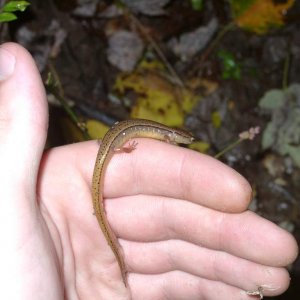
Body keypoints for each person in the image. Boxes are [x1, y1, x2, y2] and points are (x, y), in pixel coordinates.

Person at [0, 42, 297, 300]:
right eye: (186, 139)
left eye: (187, 139)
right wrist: (121, 148)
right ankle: (113, 247)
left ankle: (116, 248)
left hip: (114, 142)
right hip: (112, 144)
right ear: (178, 136)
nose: (186, 141)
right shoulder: (168, 136)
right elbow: (145, 140)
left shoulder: (166, 134)